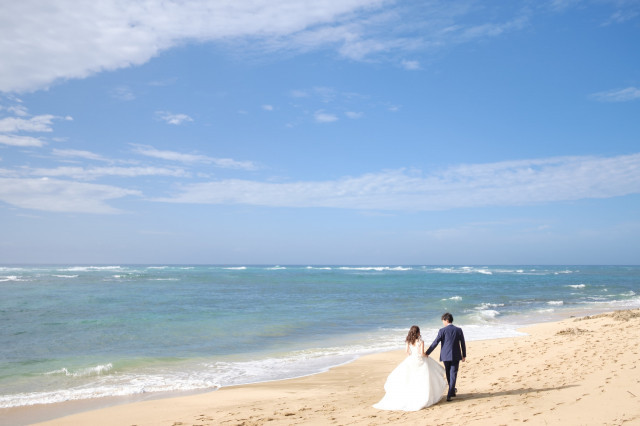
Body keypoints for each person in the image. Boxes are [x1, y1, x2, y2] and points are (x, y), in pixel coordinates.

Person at [373, 325, 448, 411]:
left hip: (411, 360)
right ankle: (423, 396)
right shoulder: (421, 341)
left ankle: (411, 396)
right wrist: (426, 355)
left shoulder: (408, 341)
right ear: (418, 332)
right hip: (420, 361)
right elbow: (422, 353)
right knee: (423, 379)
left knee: (411, 379)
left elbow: (407, 352)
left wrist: (412, 356)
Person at [425, 312, 466, 401]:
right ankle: (451, 391)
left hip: (445, 356)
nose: (443, 322)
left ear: (447, 320)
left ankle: (451, 391)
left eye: (443, 321)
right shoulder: (458, 330)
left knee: (448, 373)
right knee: (453, 373)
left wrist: (427, 352)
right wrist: (464, 355)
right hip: (456, 355)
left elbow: (435, 342)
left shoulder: (442, 331)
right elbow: (462, 343)